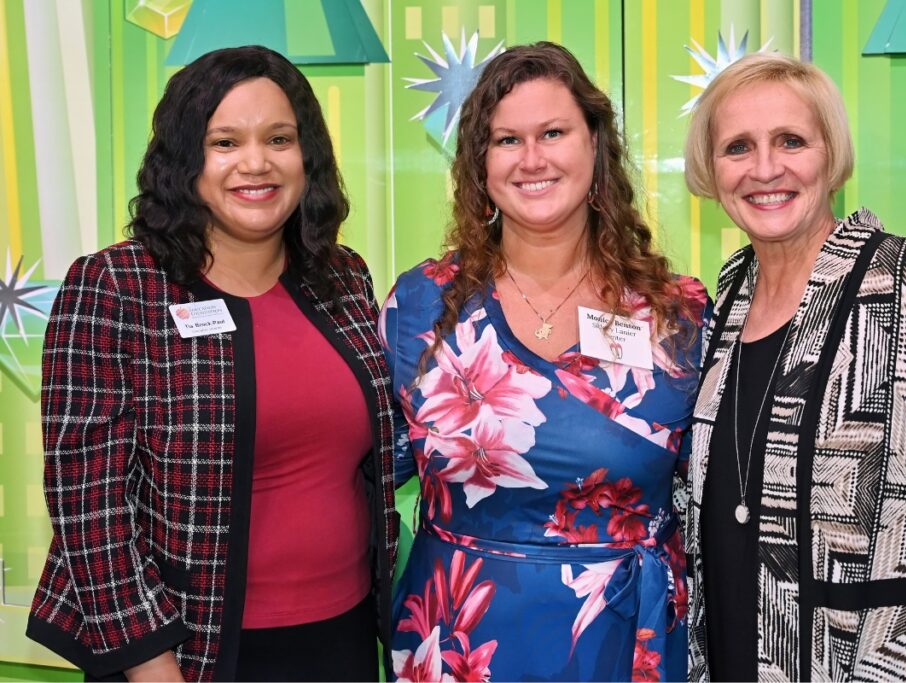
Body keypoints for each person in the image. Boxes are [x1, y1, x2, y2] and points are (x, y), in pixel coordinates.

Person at [27, 46, 397, 682]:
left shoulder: (343, 278)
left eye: (279, 138)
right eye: (224, 142)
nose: (256, 162)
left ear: (306, 157)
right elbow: (89, 508)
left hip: (344, 636)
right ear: (185, 161)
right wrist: (150, 666)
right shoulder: (117, 286)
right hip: (188, 651)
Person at [683, 51, 906, 681]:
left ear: (831, 155)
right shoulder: (725, 297)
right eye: (738, 147)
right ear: (712, 168)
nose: (765, 169)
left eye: (791, 141)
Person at [379, 41, 710, 681]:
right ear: (480, 164)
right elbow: (358, 472)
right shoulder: (421, 305)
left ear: (595, 146)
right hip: (458, 640)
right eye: (507, 140)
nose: (532, 159)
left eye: (553, 132)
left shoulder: (677, 315)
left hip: (619, 640)